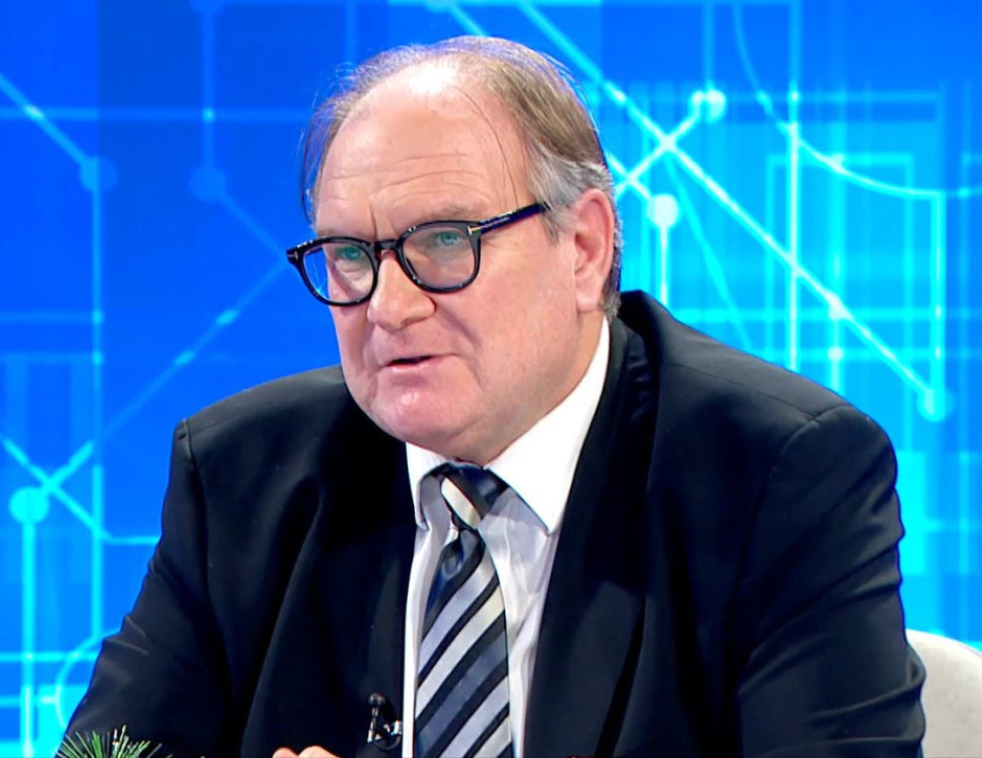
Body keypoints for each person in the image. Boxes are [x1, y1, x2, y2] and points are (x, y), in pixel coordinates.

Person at [66, 36, 925, 758]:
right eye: (351, 255)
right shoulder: (241, 479)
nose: (388, 306)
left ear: (583, 248)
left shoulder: (778, 475)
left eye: (444, 242)